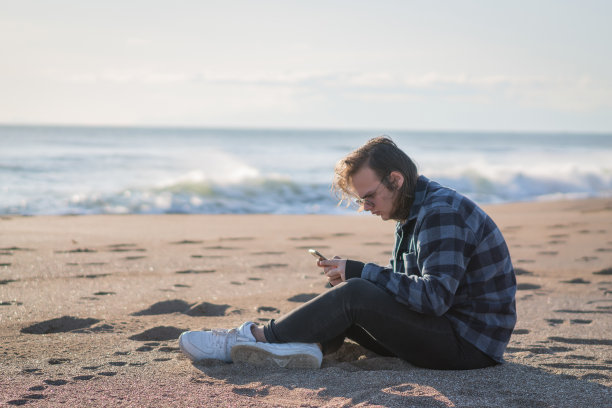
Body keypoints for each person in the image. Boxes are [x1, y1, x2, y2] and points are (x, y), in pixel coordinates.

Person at [179, 136, 517, 370]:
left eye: (369, 197)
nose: (366, 207)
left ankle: (258, 337)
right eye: (360, 201)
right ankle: (305, 347)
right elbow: (406, 290)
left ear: (396, 180)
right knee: (346, 289)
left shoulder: (441, 212)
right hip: (445, 332)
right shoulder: (414, 208)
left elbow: (434, 299)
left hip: (468, 346)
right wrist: (353, 276)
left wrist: (360, 273)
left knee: (355, 289)